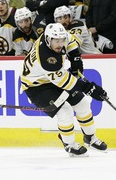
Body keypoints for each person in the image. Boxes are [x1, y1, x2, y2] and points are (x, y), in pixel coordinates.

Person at [20, 22, 107, 157]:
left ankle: (90, 138)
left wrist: (75, 58)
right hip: (36, 87)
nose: (60, 44)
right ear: (49, 40)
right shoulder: (46, 58)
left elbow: (71, 40)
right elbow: (66, 82)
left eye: (62, 40)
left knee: (83, 103)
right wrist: (89, 88)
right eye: (57, 41)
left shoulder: (58, 36)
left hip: (50, 79)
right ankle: (69, 144)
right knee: (65, 109)